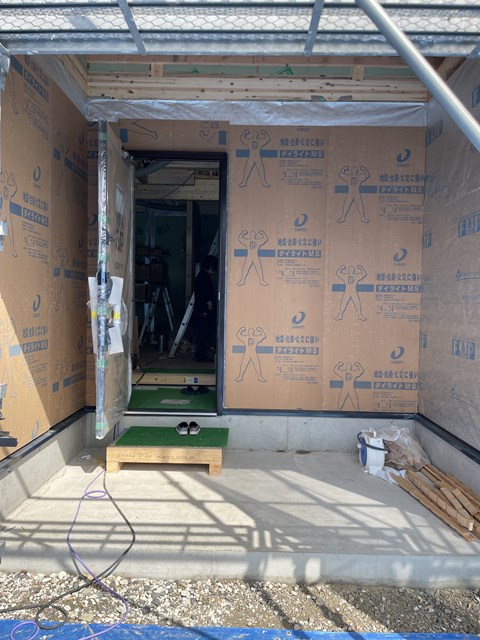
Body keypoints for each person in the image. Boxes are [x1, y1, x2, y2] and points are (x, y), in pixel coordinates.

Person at [193, 255, 218, 362]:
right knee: (203, 331)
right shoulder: (203, 277)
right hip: (202, 308)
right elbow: (203, 293)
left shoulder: (202, 276)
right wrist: (208, 302)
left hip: (202, 308)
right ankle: (200, 355)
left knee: (205, 331)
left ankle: (200, 353)